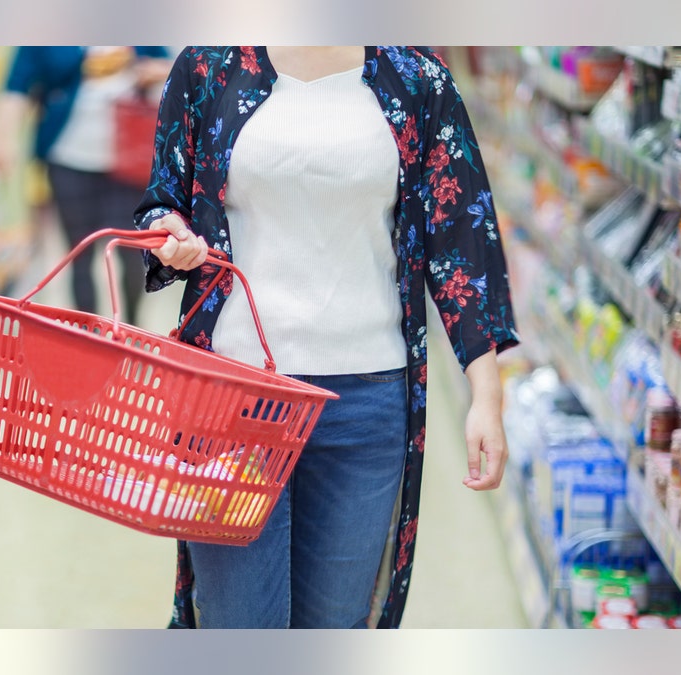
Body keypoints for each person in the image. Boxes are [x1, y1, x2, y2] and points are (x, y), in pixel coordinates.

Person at [134, 46, 519, 629]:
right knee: (238, 632)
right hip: (230, 398)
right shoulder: (207, 67)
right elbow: (165, 200)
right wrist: (171, 233)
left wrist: (486, 396)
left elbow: (462, 233)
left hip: (365, 404)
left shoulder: (417, 79)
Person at [0, 46, 172, 325]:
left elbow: (171, 65)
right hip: (67, 158)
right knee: (78, 252)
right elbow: (16, 87)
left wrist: (153, 72)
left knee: (134, 253)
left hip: (128, 161)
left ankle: (132, 329)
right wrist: (3, 139)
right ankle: (87, 333)